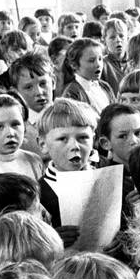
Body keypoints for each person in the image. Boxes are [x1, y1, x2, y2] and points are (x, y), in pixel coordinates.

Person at [36, 98, 98, 246]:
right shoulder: (37, 194)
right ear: (43, 144)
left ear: (93, 140)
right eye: (63, 139)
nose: (75, 146)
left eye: (83, 137)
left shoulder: (109, 182)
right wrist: (51, 240)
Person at [60, 38, 114, 115]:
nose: (98, 64)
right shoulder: (71, 93)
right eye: (91, 60)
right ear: (74, 65)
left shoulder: (105, 86)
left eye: (100, 59)